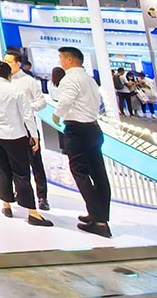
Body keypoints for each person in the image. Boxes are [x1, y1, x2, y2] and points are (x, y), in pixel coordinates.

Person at [0, 60, 53, 227]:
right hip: (14, 136)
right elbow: (27, 115)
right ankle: (32, 212)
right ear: (9, 75)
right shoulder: (15, 91)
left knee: (1, 170)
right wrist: (34, 136)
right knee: (21, 173)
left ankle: (6, 205)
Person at [53, 46, 112, 238]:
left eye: (61, 58)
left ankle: (99, 220)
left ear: (70, 60)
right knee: (98, 173)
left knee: (80, 172)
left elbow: (66, 101)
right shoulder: (89, 79)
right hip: (93, 128)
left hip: (77, 130)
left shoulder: (69, 79)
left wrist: (56, 114)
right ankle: (99, 215)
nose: (60, 61)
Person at [6, 51, 49, 210]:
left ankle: (42, 197)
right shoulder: (3, 81)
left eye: (9, 62)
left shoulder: (28, 81)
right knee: (14, 162)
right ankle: (20, 193)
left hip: (28, 125)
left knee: (35, 162)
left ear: (18, 64)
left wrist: (27, 107)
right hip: (11, 125)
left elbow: (41, 102)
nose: (6, 64)